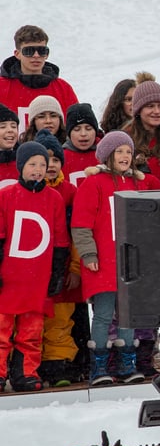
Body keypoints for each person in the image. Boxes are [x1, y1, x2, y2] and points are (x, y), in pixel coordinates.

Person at [71, 131, 160, 385]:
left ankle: (126, 363)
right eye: (119, 151)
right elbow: (81, 224)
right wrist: (89, 254)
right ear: (107, 155)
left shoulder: (138, 184)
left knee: (128, 314)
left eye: (128, 152)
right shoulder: (94, 184)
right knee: (102, 314)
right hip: (104, 262)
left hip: (131, 263)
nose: (125, 156)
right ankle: (99, 365)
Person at [0, 141, 70, 392]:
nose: (38, 169)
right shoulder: (6, 195)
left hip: (37, 278)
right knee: (1, 331)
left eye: (43, 164)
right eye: (32, 164)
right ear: (21, 167)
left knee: (31, 332)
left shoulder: (54, 198)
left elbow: (60, 240)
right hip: (10, 277)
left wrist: (57, 274)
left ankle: (26, 373)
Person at [35, 130, 81, 386]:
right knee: (33, 319)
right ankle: (31, 365)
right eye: (44, 160)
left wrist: (74, 267)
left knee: (61, 319)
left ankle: (57, 365)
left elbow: (77, 233)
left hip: (61, 266)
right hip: (33, 267)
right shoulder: (27, 191)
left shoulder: (70, 192)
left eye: (55, 160)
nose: (50, 166)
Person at [0, 25, 78, 133]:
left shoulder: (63, 89)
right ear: (17, 54)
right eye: (29, 51)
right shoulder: (2, 88)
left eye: (42, 51)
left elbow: (77, 128)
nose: (36, 55)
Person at [62, 103, 102, 187]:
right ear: (69, 133)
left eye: (88, 128)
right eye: (77, 129)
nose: (83, 134)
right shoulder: (62, 158)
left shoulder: (105, 154)